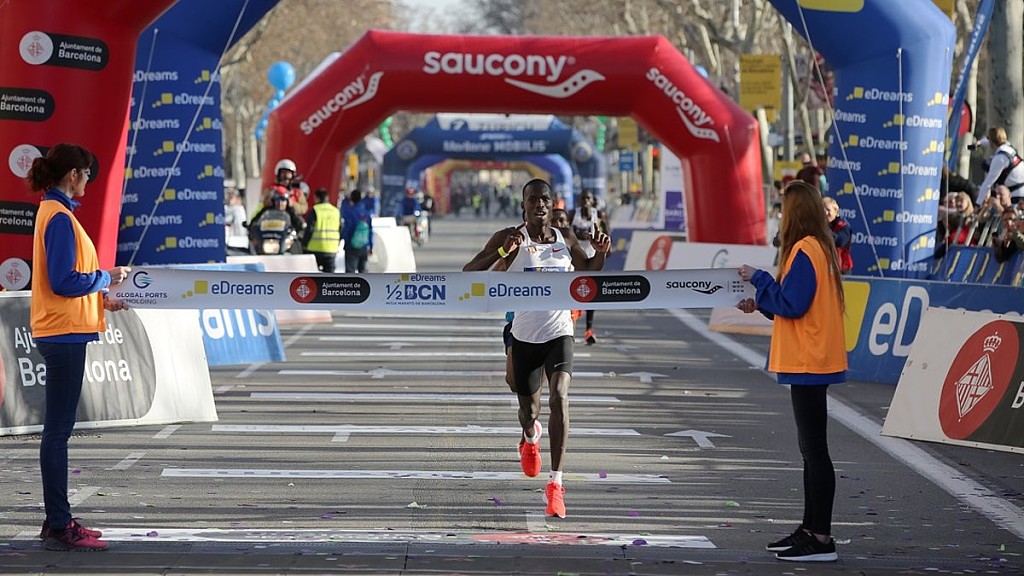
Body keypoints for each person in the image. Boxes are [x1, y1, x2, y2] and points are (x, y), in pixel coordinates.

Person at [463, 179, 610, 519]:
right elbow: (470, 273)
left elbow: (589, 272)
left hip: (560, 332)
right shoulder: (509, 237)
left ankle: (556, 484)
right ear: (523, 206)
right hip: (525, 336)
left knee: (560, 396)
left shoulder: (564, 237)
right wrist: (503, 253)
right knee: (529, 411)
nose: (540, 204)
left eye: (545, 199)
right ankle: (530, 438)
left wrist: (600, 252)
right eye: (533, 199)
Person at [26, 143, 132, 551]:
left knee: (58, 431)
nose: (88, 180)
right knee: (57, 432)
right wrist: (106, 278)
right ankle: (59, 524)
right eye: (86, 173)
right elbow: (63, 281)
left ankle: (57, 520)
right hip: (62, 334)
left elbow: (67, 282)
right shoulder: (59, 217)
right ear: (73, 175)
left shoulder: (55, 212)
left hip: (62, 330)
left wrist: (102, 299)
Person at [736, 180, 846, 563]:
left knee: (814, 451)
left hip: (809, 360)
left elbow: (794, 304)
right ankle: (809, 529)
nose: (780, 217)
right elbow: (792, 304)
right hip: (812, 357)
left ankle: (821, 537)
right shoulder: (818, 248)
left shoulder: (805, 249)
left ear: (795, 213)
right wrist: (762, 302)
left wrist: (760, 279)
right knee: (810, 451)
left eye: (784, 210)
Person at [571, 191, 603, 343]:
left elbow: (606, 232)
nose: (585, 201)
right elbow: (566, 232)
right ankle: (571, 324)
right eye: (583, 198)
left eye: (588, 198)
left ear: (592, 201)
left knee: (591, 294)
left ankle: (589, 330)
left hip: (592, 258)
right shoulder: (573, 214)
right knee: (573, 291)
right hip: (575, 258)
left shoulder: (599, 215)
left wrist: (603, 248)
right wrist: (578, 234)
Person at [974, 127, 1024, 206]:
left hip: (1017, 196)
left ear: (991, 142)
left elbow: (987, 183)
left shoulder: (999, 158)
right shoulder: (1008, 147)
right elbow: (991, 141)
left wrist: (978, 204)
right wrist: (980, 143)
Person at [303, 188, 342, 272]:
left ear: (317, 198)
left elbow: (310, 229)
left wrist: (304, 244)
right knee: (329, 276)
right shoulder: (336, 211)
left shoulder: (315, 209)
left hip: (314, 248)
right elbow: (340, 228)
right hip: (331, 249)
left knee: (313, 275)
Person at [342, 189, 373, 274]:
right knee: (363, 272)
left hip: (352, 245)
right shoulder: (366, 213)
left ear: (351, 199)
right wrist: (370, 245)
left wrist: (343, 239)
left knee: (350, 272)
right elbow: (370, 230)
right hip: (364, 246)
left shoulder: (350, 212)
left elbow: (347, 228)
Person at [822, 197, 852, 274]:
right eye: (823, 210)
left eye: (828, 210)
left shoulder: (843, 226)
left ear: (836, 212)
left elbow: (840, 241)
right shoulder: (820, 226)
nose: (825, 213)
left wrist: (823, 229)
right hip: (824, 268)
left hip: (841, 269)